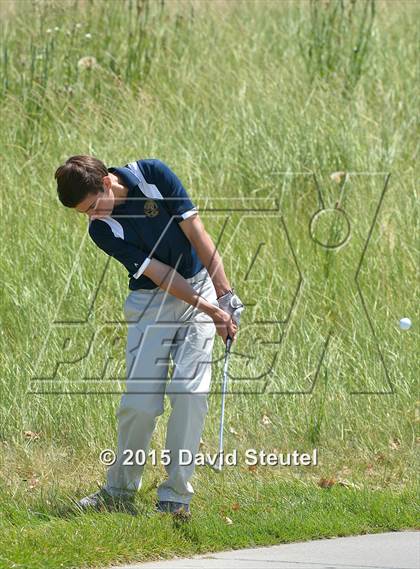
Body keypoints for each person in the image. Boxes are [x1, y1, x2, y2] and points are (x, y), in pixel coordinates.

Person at [54, 155, 244, 518]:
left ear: (107, 182)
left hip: (198, 284)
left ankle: (175, 495)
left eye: (93, 206)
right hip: (151, 301)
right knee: (140, 404)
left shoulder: (152, 175)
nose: (91, 216)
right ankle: (119, 491)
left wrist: (224, 294)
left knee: (190, 392)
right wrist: (211, 310)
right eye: (84, 213)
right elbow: (159, 275)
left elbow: (196, 232)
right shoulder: (101, 229)